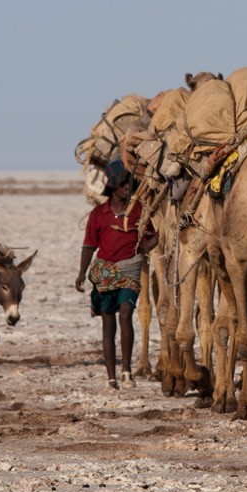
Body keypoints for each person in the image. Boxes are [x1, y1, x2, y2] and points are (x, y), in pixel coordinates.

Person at [75, 160, 157, 390]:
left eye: (130, 184)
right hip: (105, 274)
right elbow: (89, 246)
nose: (127, 188)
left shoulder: (139, 211)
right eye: (123, 183)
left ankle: (127, 371)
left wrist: (145, 247)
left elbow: (151, 237)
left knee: (126, 313)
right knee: (108, 323)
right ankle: (111, 377)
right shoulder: (98, 214)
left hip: (129, 273)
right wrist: (81, 272)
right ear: (112, 186)